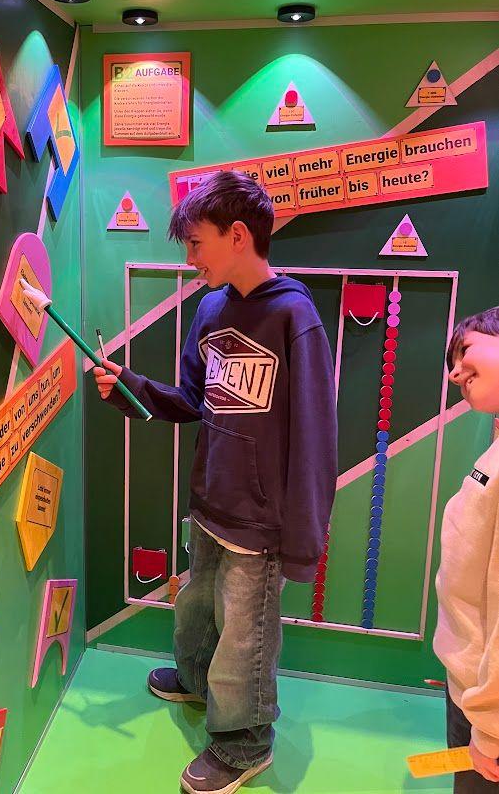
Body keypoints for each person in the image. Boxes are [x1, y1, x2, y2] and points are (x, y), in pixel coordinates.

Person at [93, 171, 338, 794]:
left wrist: (303, 540)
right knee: (196, 610)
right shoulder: (209, 308)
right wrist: (129, 387)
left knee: (244, 640)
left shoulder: (295, 317)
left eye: (196, 243)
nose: (190, 258)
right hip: (209, 505)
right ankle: (197, 685)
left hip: (261, 523)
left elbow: (316, 438)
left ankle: (244, 741)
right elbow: (192, 400)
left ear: (237, 235)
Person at [435, 307, 499, 791]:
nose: (455, 373)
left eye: (466, 351)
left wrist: (490, 732)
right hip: (471, 690)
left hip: (487, 708)